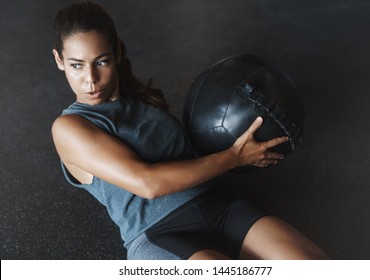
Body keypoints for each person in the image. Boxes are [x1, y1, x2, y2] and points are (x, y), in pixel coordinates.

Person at [51, 1, 328, 260]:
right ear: (60, 60)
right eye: (77, 65)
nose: (90, 79)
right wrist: (235, 157)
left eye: (101, 61)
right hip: (159, 234)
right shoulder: (69, 127)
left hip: (217, 205)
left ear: (118, 53)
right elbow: (148, 184)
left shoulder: (142, 100)